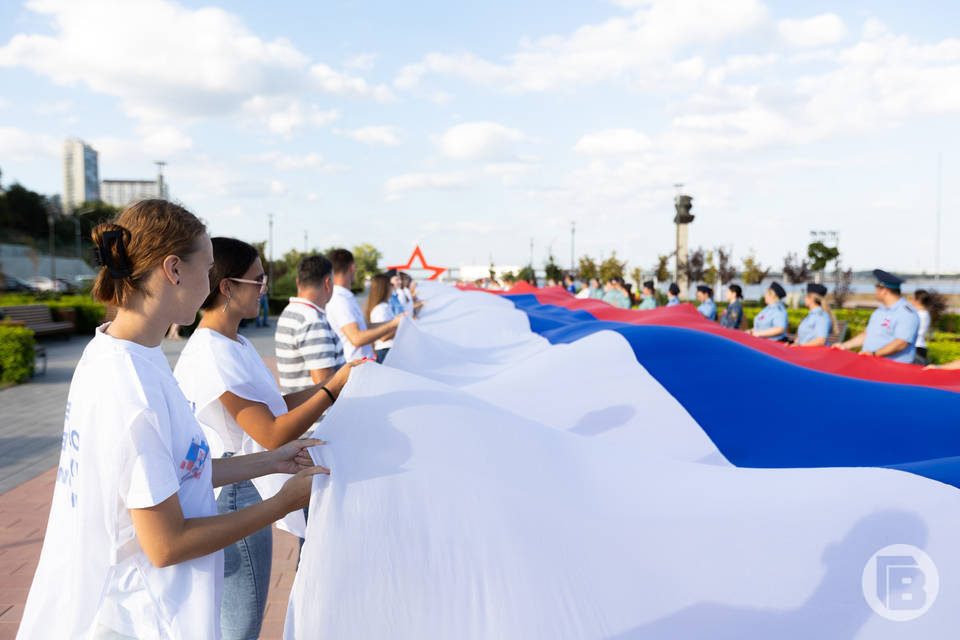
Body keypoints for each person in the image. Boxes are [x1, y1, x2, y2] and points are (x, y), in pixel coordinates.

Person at [18, 200, 326, 640]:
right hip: (139, 617)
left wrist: (273, 461)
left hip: (148, 608)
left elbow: (181, 470)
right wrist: (282, 503)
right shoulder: (130, 384)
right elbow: (166, 544)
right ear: (174, 270)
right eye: (208, 268)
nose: (210, 283)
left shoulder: (123, 353)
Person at [174, 238, 360, 640]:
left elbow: (273, 407)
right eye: (257, 280)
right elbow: (272, 432)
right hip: (234, 488)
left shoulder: (233, 342)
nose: (264, 288)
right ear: (227, 287)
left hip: (242, 480)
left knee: (238, 616)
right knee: (240, 623)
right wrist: (333, 388)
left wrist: (335, 385)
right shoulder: (214, 352)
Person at [275, 254, 346, 394]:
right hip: (317, 408)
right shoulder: (312, 320)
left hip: (297, 403)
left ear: (298, 282)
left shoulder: (290, 311)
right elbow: (325, 383)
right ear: (328, 283)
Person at [325, 248, 404, 361]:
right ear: (352, 268)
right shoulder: (340, 299)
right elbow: (356, 338)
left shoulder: (345, 296)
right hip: (355, 365)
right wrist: (392, 324)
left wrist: (394, 322)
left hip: (361, 364)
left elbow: (363, 326)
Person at [836, 269, 918, 363]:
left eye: (876, 287)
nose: (875, 291)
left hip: (892, 367)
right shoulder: (880, 311)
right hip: (872, 363)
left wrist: (875, 354)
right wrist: (844, 346)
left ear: (884, 291)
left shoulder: (906, 313)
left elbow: (901, 343)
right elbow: (867, 335)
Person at [366, 273, 397, 363]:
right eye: (391, 284)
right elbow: (383, 337)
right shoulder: (381, 309)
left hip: (387, 349)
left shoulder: (384, 306)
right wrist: (401, 327)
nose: (393, 287)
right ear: (384, 288)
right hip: (385, 350)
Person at [794, 283, 834, 347]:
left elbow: (821, 341)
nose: (804, 298)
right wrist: (794, 344)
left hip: (812, 351)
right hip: (803, 349)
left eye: (806, 296)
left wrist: (799, 346)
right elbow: (802, 337)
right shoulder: (812, 314)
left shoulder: (821, 316)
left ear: (812, 299)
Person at [911, 289, 944, 362]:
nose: (911, 301)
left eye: (912, 298)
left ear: (917, 301)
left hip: (916, 348)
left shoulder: (920, 315)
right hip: (920, 347)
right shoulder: (924, 314)